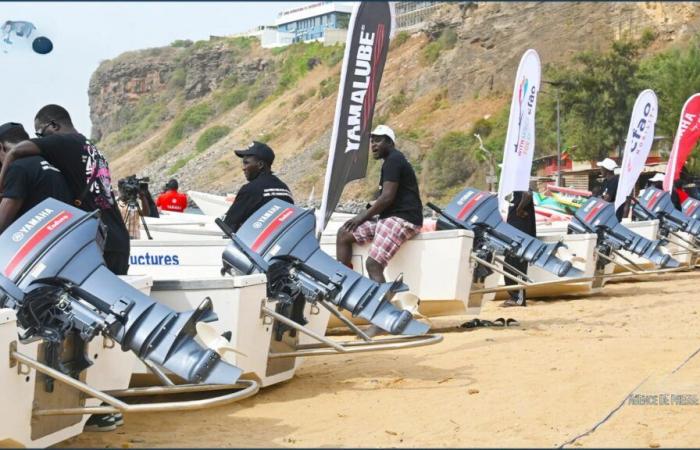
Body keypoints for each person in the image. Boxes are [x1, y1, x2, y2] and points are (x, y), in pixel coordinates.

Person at [0, 105, 130, 277]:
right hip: (118, 238)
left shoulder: (66, 141)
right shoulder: (89, 147)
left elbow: (17, 150)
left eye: (40, 133)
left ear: (53, 125)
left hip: (99, 240)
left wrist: (4, 176)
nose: (40, 139)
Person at [336, 125, 423, 283]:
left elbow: (387, 198)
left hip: (403, 219)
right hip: (389, 217)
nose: (373, 145)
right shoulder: (390, 162)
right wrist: (363, 213)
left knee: (373, 264)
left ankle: (382, 307)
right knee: (344, 234)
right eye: (372, 141)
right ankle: (343, 284)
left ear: (390, 142)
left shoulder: (394, 160)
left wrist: (361, 218)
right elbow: (380, 199)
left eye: (378, 141)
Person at [0, 122, 72, 233]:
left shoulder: (18, 168)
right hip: (66, 234)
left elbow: (2, 222)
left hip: (45, 243)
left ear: (1, 147)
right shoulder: (48, 162)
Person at [223, 141, 294, 232]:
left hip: (254, 243)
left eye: (246, 163)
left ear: (260, 165)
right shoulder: (284, 188)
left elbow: (228, 224)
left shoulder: (250, 189)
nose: (243, 168)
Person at [501, 190, 536, 307]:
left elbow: (527, 194)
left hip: (522, 234)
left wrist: (519, 209)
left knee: (518, 267)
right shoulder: (512, 184)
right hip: (514, 233)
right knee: (508, 265)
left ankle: (519, 299)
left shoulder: (521, 182)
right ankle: (514, 296)